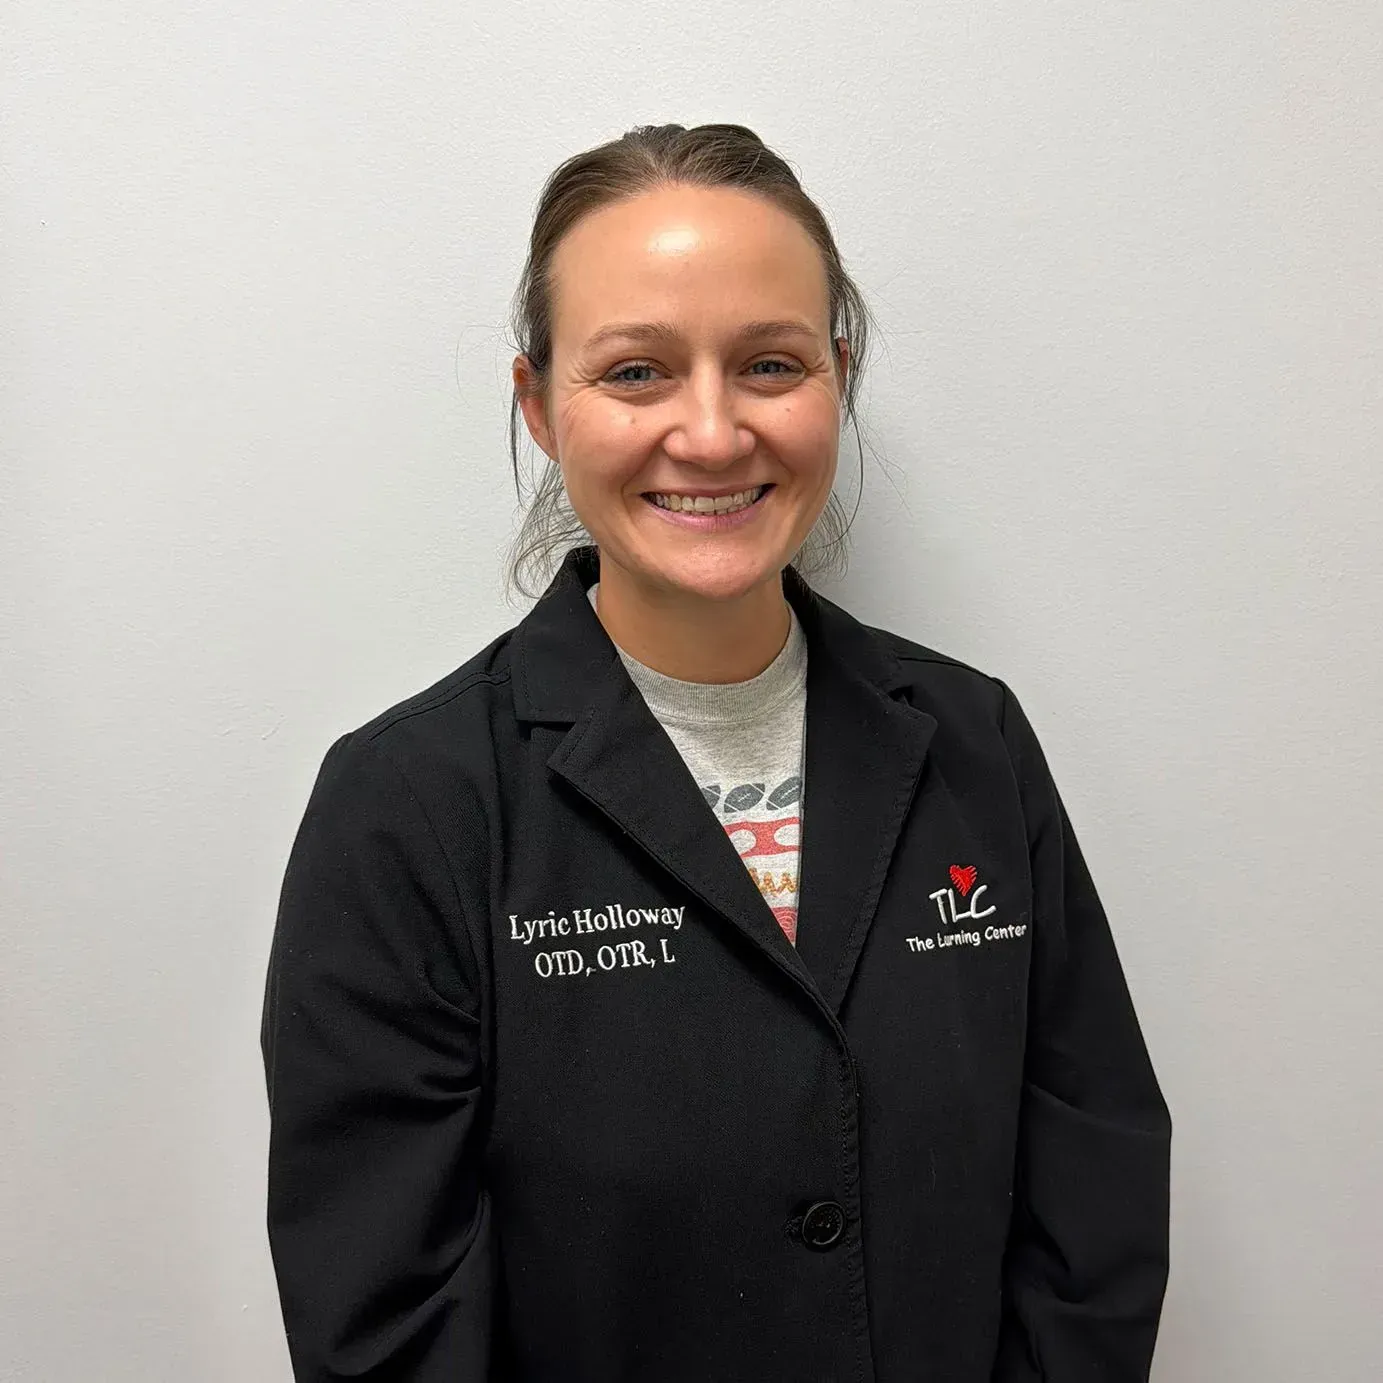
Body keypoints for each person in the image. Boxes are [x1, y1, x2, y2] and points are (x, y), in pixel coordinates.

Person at [260, 122, 1171, 1382]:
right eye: (635, 372)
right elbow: (387, 1319)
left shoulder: (975, 745)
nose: (711, 431)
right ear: (537, 405)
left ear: (837, 378)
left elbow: (1095, 1198)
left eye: (770, 364)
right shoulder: (409, 805)